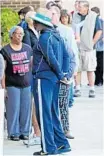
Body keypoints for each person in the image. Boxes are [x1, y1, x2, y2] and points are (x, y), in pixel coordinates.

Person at [30, 8, 71, 155]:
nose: (34, 25)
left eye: (35, 22)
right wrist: (64, 74)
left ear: (40, 24)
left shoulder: (43, 38)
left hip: (44, 79)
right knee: (53, 113)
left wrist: (61, 75)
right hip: (54, 80)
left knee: (44, 114)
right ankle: (62, 144)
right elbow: (67, 56)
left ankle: (48, 149)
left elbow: (51, 58)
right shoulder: (57, 36)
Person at [48, 4, 78, 139]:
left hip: (64, 76)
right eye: (50, 14)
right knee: (50, 105)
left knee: (63, 104)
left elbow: (72, 53)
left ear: (59, 15)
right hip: (49, 76)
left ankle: (65, 129)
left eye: (54, 14)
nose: (52, 16)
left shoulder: (66, 31)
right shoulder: (44, 31)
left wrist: (71, 72)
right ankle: (51, 130)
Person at [0, 26, 32, 141]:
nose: (20, 36)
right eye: (17, 33)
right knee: (13, 109)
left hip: (26, 84)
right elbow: (2, 71)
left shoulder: (28, 49)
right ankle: (13, 133)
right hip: (12, 84)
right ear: (12, 34)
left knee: (26, 109)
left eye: (21, 34)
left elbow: (31, 65)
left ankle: (25, 131)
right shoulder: (5, 51)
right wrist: (3, 88)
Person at [74, 0, 102, 98]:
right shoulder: (75, 16)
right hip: (76, 47)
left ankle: (91, 89)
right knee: (77, 69)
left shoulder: (94, 16)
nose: (78, 8)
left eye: (80, 7)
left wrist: (93, 42)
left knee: (90, 69)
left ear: (86, 8)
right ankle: (77, 88)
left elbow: (99, 31)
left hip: (89, 48)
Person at [22, 11, 41, 146]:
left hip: (38, 68)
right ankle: (35, 130)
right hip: (32, 69)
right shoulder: (27, 32)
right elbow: (29, 50)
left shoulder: (36, 31)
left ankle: (38, 130)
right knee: (33, 102)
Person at [91, 7, 104, 86]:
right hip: (92, 46)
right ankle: (94, 81)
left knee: (99, 64)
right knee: (93, 65)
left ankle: (99, 80)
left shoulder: (102, 22)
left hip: (100, 47)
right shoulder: (90, 22)